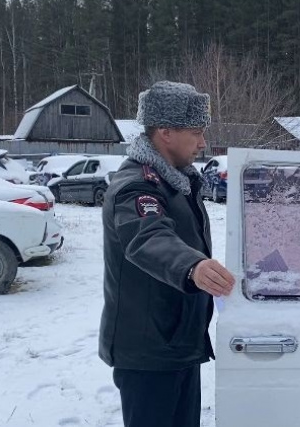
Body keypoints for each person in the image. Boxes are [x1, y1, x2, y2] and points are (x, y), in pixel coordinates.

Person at [99, 81, 236, 427]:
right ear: (165, 132)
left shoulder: (177, 181)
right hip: (149, 353)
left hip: (178, 342)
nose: (203, 143)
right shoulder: (137, 186)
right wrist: (193, 266)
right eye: (196, 132)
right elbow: (148, 237)